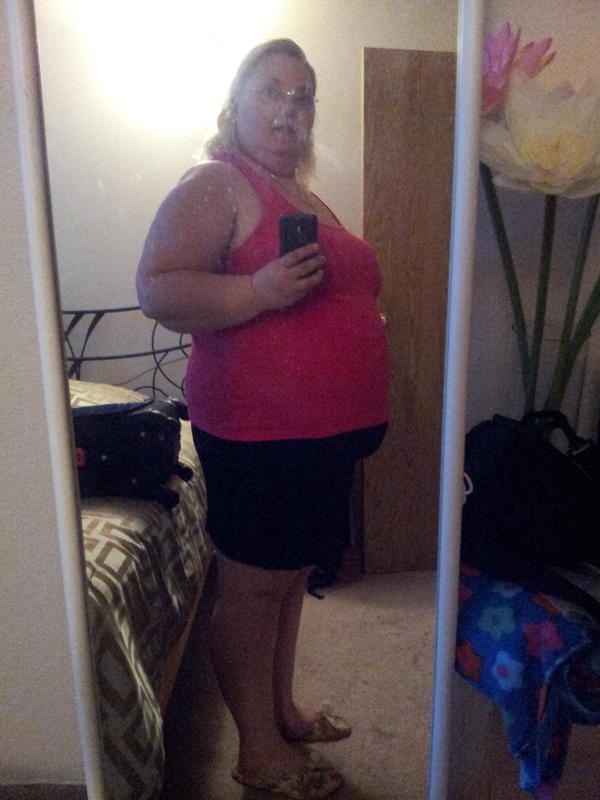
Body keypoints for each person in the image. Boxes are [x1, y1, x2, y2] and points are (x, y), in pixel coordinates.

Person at [136, 38, 389, 799]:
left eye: (303, 95)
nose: (290, 108)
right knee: (251, 587)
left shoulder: (302, 195)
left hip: (317, 438)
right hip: (259, 433)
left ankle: (280, 711)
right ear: (236, 104)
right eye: (272, 91)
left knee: (288, 579)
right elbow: (157, 287)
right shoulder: (217, 180)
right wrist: (257, 292)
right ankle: (257, 752)